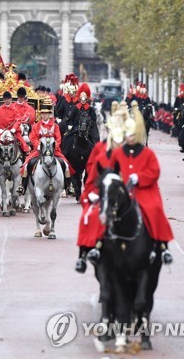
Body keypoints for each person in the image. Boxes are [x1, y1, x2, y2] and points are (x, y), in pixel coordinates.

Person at [109, 118, 174, 264]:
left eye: (132, 135)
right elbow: (111, 170)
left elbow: (154, 172)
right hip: (123, 192)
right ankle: (98, 246)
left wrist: (139, 177)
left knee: (154, 209)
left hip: (144, 191)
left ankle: (163, 246)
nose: (129, 138)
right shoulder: (118, 153)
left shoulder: (147, 153)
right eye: (128, 135)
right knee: (104, 210)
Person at [75, 114, 125, 273]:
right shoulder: (99, 148)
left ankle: (158, 248)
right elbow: (91, 168)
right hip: (101, 190)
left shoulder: (129, 149)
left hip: (125, 190)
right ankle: (83, 253)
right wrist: (93, 191)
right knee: (88, 216)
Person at [18, 97, 72, 194]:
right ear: (40, 114)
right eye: (42, 113)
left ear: (49, 114)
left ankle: (69, 186)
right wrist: (38, 146)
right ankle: (22, 186)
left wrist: (53, 148)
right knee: (26, 165)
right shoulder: (36, 126)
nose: (44, 115)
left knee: (66, 165)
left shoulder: (55, 126)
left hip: (54, 151)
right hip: (38, 151)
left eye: (46, 113)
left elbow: (58, 139)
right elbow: (32, 137)